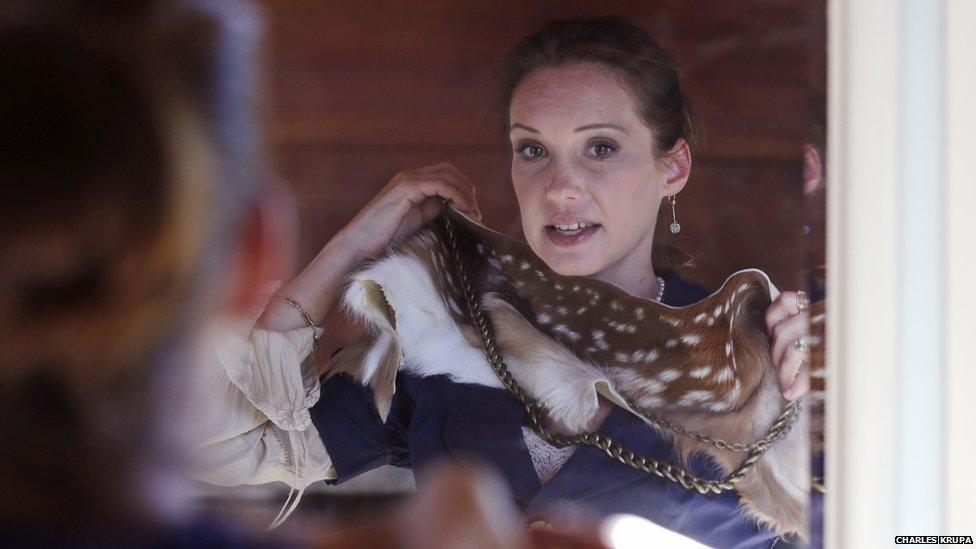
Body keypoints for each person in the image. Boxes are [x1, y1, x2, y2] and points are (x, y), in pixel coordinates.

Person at [193, 16, 820, 547]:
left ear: (673, 166)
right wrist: (353, 245)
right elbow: (217, 442)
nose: (561, 188)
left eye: (600, 148)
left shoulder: (760, 348)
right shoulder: (443, 339)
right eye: (532, 149)